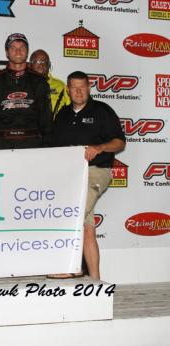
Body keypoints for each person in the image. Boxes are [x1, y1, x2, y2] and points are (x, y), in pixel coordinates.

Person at [51, 71, 126, 280]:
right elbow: (55, 150)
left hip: (96, 172)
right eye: (74, 87)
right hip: (70, 176)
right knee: (87, 227)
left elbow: (120, 142)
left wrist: (100, 147)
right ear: (68, 90)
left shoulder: (102, 110)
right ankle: (95, 279)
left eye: (82, 86)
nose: (78, 91)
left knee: (72, 213)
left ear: (89, 87)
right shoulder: (63, 115)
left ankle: (71, 266)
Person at [0, 33, 52, 149]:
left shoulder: (39, 81)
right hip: (2, 146)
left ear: (27, 51)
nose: (18, 51)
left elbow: (46, 121)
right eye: (13, 48)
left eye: (22, 48)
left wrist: (46, 148)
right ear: (6, 52)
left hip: (33, 146)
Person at [29, 49, 70, 118]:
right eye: (38, 61)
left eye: (45, 62)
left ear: (49, 65)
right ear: (30, 65)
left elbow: (70, 108)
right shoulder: (24, 84)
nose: (41, 64)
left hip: (55, 127)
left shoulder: (60, 85)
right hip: (31, 127)